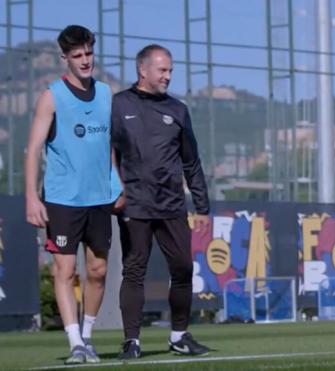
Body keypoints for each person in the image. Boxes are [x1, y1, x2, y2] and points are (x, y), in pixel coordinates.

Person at [24, 25, 122, 364]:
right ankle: (74, 343)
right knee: (64, 272)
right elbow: (34, 149)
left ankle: (89, 336)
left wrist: (117, 184)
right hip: (62, 199)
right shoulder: (51, 96)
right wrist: (31, 198)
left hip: (99, 199)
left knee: (97, 271)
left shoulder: (107, 94)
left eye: (89, 54)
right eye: (77, 56)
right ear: (64, 58)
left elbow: (108, 145)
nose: (85, 61)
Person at [111, 44, 211, 359]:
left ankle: (179, 335)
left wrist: (202, 206)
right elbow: (107, 153)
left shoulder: (178, 110)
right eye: (162, 70)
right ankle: (132, 341)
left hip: (171, 204)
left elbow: (191, 162)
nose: (168, 76)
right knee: (134, 270)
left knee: (182, 268)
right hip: (134, 203)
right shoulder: (118, 104)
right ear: (143, 70)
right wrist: (116, 189)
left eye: (170, 70)